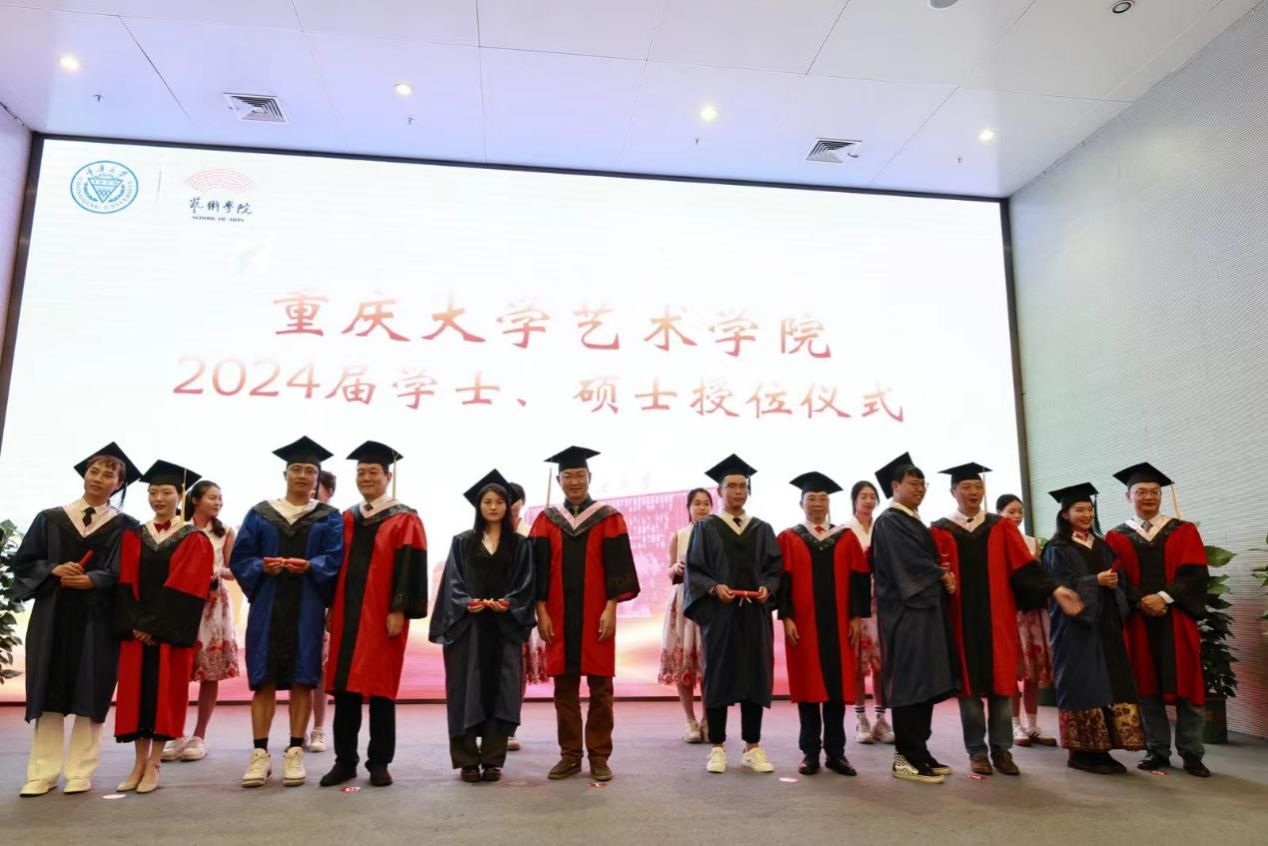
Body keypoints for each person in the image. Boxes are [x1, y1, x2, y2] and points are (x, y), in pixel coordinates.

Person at [930, 463, 1083, 776]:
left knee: (1002, 686)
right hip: (959, 621)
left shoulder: (1000, 527)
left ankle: (1001, 750)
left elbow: (1025, 567)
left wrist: (1055, 589)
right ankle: (977, 751)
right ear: (953, 491)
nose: (973, 492)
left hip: (998, 619)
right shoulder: (940, 530)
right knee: (969, 690)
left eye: (978, 486)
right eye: (966, 487)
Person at [14, 443, 141, 797]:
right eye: (93, 471)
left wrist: (95, 579)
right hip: (53, 617)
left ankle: (80, 772)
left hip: (97, 620)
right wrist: (53, 569)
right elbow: (25, 563)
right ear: (84, 475)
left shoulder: (126, 527)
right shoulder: (50, 518)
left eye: (108, 474)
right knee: (48, 692)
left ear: (119, 483)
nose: (98, 478)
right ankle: (42, 773)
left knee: (91, 691)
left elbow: (129, 574)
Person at [230, 436, 344, 788]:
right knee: (263, 678)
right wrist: (262, 567)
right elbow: (241, 558)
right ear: (285, 474)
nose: (303, 475)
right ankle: (260, 754)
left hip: (306, 605)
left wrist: (310, 566)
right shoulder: (261, 513)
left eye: (310, 470)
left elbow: (335, 558)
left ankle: (295, 751)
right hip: (268, 604)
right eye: (297, 469)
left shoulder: (329, 517)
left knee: (302, 678)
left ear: (317, 478)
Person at [320, 442, 429, 788]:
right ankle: (345, 761)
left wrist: (399, 609)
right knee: (345, 690)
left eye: (373, 472)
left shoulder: (404, 518)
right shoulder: (347, 517)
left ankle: (379, 762)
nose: (366, 478)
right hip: (347, 612)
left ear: (387, 477)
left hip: (383, 615)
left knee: (381, 689)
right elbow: (335, 566)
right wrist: (330, 606)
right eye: (361, 472)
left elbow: (410, 567)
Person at [530, 446, 640, 782]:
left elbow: (618, 567)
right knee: (564, 689)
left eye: (580, 475)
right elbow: (536, 570)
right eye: (568, 476)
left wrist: (611, 607)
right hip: (558, 614)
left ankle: (599, 755)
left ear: (590, 477)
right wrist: (541, 610)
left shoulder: (608, 518)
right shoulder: (546, 520)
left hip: (596, 613)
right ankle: (570, 755)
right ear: (559, 480)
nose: (574, 481)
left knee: (601, 688)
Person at [112, 461, 214, 794]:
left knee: (164, 696)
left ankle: (154, 764)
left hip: (168, 635)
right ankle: (138, 763)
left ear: (180, 495)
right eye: (153, 492)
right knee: (137, 696)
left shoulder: (193, 538)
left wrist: (154, 627)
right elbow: (125, 583)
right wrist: (136, 625)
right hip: (137, 634)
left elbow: (186, 587)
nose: (158, 498)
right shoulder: (134, 535)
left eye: (166, 492)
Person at [1104, 463, 1211, 777]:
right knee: (1146, 687)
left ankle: (1192, 752)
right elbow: (1118, 579)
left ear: (1161, 495)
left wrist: (1163, 597)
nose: (1148, 497)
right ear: (1128, 497)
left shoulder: (1183, 530)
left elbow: (1194, 573)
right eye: (1141, 492)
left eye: (1154, 492)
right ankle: (1157, 750)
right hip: (1139, 621)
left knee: (1188, 686)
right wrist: (1142, 601)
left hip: (1177, 618)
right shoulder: (1116, 535)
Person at [431, 470, 536, 782]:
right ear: (478, 506)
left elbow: (526, 584)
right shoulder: (462, 542)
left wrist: (510, 603)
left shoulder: (520, 544)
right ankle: (466, 760)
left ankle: (492, 759)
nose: (493, 507)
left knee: (501, 690)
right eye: (487, 502)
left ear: (508, 506)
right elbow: (452, 583)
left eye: (499, 502)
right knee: (465, 690)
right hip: (469, 630)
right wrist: (465, 602)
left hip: (503, 629)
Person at [684, 454, 782, 775]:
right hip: (721, 616)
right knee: (718, 677)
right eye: (732, 486)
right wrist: (713, 588)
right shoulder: (706, 528)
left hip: (754, 615)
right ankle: (717, 747)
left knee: (755, 676)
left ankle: (753, 747)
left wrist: (768, 587)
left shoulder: (762, 529)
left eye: (743, 486)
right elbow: (695, 570)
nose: (738, 491)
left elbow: (774, 569)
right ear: (720, 491)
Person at [1043, 483, 1146, 774]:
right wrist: (1094, 582)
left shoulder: (1102, 545)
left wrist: (1114, 584)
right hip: (1075, 628)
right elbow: (1057, 587)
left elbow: (1120, 578)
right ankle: (1081, 752)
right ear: (1065, 514)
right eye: (1080, 510)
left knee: (1110, 682)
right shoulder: (1056, 549)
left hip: (1105, 623)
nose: (1087, 514)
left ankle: (1103, 749)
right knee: (1083, 683)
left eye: (1089, 509)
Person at [869, 453, 957, 785]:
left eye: (923, 483)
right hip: (905, 616)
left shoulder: (912, 519)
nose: (919, 488)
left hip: (923, 612)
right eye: (913, 483)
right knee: (910, 684)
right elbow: (907, 564)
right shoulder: (890, 521)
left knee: (926, 682)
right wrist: (941, 575)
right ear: (895, 486)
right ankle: (905, 759)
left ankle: (919, 751)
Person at [777, 472, 869, 776]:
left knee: (836, 687)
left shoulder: (845, 537)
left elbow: (858, 579)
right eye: (811, 498)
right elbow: (783, 581)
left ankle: (836, 753)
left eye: (822, 498)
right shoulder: (789, 538)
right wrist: (787, 617)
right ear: (801, 503)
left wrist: (855, 616)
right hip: (803, 624)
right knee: (808, 687)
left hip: (840, 624)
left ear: (829, 503)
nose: (817, 503)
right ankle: (810, 753)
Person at [162, 480, 239, 763]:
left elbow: (234, 570)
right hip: (183, 604)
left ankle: (199, 736)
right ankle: (175, 734)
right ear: (195, 500)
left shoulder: (225, 531)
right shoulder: (178, 529)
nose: (218, 503)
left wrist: (217, 570)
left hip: (213, 605)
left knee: (210, 672)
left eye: (220, 498)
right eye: (212, 498)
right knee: (178, 671)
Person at [996, 493, 1057, 748]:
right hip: (1011, 613)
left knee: (1033, 672)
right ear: (999, 514)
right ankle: (1014, 724)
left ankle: (1032, 724)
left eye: (1020, 511)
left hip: (1034, 612)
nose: (1017, 516)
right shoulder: (996, 541)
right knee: (1013, 671)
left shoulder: (1034, 542)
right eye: (1011, 511)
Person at [659, 487, 713, 743]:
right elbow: (669, 571)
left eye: (706, 503)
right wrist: (676, 567)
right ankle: (691, 721)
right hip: (683, 602)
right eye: (697, 503)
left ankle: (708, 720)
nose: (702, 508)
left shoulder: (717, 534)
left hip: (709, 603)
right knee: (684, 664)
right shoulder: (679, 536)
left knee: (709, 666)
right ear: (688, 508)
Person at [847, 480, 892, 744]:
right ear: (854, 500)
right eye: (863, 496)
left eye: (872, 496)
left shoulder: (884, 527)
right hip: (857, 604)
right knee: (857, 663)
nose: (868, 500)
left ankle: (881, 719)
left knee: (881, 664)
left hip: (882, 602)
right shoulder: (845, 530)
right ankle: (860, 718)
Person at [506, 481, 543, 753]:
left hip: (521, 611)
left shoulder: (532, 533)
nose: (510, 503)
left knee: (515, 670)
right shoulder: (485, 532)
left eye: (514, 498)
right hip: (490, 611)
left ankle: (510, 727)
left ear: (523, 502)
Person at [309, 469, 338, 753]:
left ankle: (318, 728)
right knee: (297, 670)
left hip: (322, 600)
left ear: (329, 493)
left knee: (320, 669)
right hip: (293, 601)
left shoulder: (334, 521)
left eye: (316, 488)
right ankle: (296, 730)